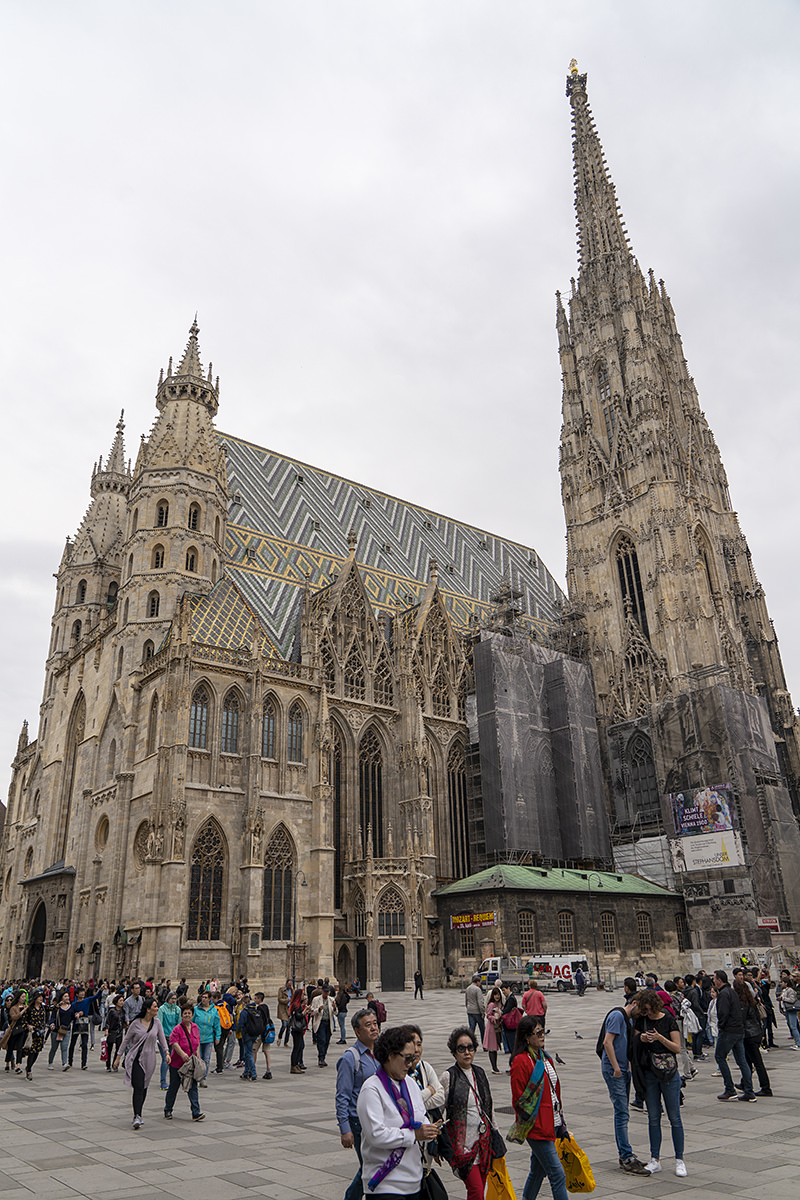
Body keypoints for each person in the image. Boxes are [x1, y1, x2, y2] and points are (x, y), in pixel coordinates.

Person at [356, 1024, 439, 1197]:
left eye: (413, 1058)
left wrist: (429, 1128)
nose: (411, 1064)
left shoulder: (410, 1084)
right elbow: (376, 1135)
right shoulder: (371, 1089)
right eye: (407, 1058)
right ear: (390, 1056)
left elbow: (419, 1115)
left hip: (413, 1181)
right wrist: (414, 1135)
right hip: (386, 1184)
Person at [509, 1016, 568, 1200]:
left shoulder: (544, 1057)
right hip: (538, 1127)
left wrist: (561, 1120)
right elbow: (518, 1098)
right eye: (538, 1033)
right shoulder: (521, 1061)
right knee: (557, 1174)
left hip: (553, 1122)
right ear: (527, 1037)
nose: (543, 1036)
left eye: (544, 1032)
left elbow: (553, 1091)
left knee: (537, 1172)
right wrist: (533, 1119)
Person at [631, 989, 687, 1177]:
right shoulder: (642, 1020)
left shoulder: (668, 1020)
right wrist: (641, 1038)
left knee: (674, 1118)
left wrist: (659, 1038)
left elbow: (677, 1048)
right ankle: (655, 1159)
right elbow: (634, 1043)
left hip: (669, 1074)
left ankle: (679, 1159)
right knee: (653, 1117)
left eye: (648, 1009)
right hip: (649, 1073)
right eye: (644, 1009)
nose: (646, 1012)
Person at [441, 1025, 494, 1200]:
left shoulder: (480, 1072)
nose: (467, 1052)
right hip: (463, 1146)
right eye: (461, 1048)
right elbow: (437, 1111)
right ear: (454, 1052)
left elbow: (488, 1107)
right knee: (476, 1190)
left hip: (484, 1143)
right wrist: (440, 1144)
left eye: (470, 1047)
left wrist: (495, 1133)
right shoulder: (449, 1077)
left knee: (480, 1190)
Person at [599, 997, 650, 1175]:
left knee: (623, 1112)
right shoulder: (617, 1016)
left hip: (622, 1069)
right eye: (642, 1011)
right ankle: (626, 1156)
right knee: (621, 1113)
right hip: (615, 1071)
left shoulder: (627, 1019)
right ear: (635, 1003)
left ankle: (626, 1154)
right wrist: (616, 1068)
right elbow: (607, 1042)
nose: (641, 1015)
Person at [336, 1007, 380, 1200]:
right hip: (358, 1123)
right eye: (368, 1025)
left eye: (375, 1024)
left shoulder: (381, 1053)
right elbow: (342, 1096)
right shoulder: (349, 1058)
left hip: (378, 1121)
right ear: (357, 1030)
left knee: (370, 1166)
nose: (373, 1028)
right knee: (369, 1166)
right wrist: (345, 1129)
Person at [115, 996, 169, 1129]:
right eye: (155, 1007)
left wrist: (167, 1053)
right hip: (136, 1058)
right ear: (148, 1009)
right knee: (138, 1087)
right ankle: (137, 1115)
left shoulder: (157, 1023)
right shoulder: (136, 1023)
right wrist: (118, 1057)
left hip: (150, 1059)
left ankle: (139, 1112)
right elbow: (126, 1040)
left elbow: (162, 1039)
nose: (157, 1009)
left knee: (144, 1087)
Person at [713, 970, 756, 1101]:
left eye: (714, 979)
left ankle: (730, 1089)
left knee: (720, 1056)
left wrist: (721, 1026)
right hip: (739, 1030)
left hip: (729, 1031)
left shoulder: (724, 994)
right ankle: (749, 1091)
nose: (713, 981)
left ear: (719, 980)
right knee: (742, 1061)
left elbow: (723, 1013)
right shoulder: (732, 992)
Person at [163, 1000, 205, 1122]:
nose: (187, 1015)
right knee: (174, 1087)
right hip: (177, 1063)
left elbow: (197, 1043)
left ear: (192, 1015)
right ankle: (168, 1109)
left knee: (193, 1087)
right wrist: (182, 1054)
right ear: (181, 1016)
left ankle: (196, 1112)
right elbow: (174, 1043)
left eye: (189, 1013)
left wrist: (197, 1053)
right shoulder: (177, 1029)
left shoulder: (195, 1027)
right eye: (185, 1013)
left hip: (190, 1064)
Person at [734, 977, 771, 1096]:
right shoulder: (751, 1000)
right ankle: (745, 1082)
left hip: (749, 1035)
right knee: (749, 1061)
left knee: (756, 1062)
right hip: (755, 1033)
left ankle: (766, 1088)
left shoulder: (742, 1003)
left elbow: (742, 1020)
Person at [193, 990, 222, 1086]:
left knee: (207, 1059)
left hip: (209, 1038)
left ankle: (203, 1078)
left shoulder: (214, 1010)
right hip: (197, 1039)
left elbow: (217, 1025)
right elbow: (191, 1023)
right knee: (198, 1059)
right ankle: (197, 1077)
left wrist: (218, 1037)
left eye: (205, 997)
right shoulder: (196, 1009)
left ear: (210, 999)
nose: (203, 999)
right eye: (203, 997)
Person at [21, 990, 49, 1080]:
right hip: (32, 1033)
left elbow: (52, 1008)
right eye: (39, 997)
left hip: (40, 1033)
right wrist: (28, 1026)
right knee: (31, 1052)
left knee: (37, 1052)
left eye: (42, 997)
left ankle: (29, 1066)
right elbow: (23, 1021)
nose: (41, 998)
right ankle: (29, 1070)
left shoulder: (43, 1008)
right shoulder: (29, 1008)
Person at [157, 991, 181, 1089]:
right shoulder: (162, 1009)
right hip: (164, 1038)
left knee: (173, 1061)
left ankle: (173, 1080)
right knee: (165, 1059)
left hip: (173, 1039)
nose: (174, 1001)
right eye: (172, 998)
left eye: (175, 999)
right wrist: (161, 1037)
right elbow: (160, 1024)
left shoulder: (177, 1009)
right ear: (168, 998)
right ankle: (163, 1081)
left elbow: (179, 1024)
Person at [311, 984, 337, 1067]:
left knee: (327, 1041)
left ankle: (323, 1056)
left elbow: (335, 1013)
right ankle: (321, 1058)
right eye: (325, 992)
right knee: (322, 1040)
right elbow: (312, 1011)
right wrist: (318, 1009)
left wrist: (335, 1008)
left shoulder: (331, 1000)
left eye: (328, 992)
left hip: (328, 1022)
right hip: (320, 1022)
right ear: (322, 991)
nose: (327, 993)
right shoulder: (316, 999)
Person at [47, 991, 74, 1070]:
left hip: (66, 1030)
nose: (67, 998)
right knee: (54, 1047)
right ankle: (50, 1062)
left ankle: (64, 1063)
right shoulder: (57, 1007)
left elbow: (72, 1016)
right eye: (65, 996)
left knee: (64, 1047)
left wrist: (77, 1014)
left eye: (67, 996)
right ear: (61, 997)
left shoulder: (71, 1007)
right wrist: (52, 1024)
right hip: (56, 1030)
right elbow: (53, 1017)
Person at [482, 986, 503, 1074]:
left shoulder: (500, 1004)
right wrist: (493, 1018)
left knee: (495, 1047)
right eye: (495, 995)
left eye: (498, 995)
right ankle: (494, 1067)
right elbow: (488, 1015)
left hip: (497, 1027)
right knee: (492, 1047)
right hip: (491, 1027)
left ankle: (495, 1066)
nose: (497, 996)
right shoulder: (491, 1005)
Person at [288, 986, 307, 1074]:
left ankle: (296, 1065)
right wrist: (305, 1011)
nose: (304, 996)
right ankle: (293, 1065)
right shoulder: (296, 1004)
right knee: (296, 1047)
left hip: (298, 1028)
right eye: (303, 994)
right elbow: (298, 1016)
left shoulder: (296, 1004)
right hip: (296, 1029)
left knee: (299, 1047)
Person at [104, 994, 125, 1072]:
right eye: (120, 1001)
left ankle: (115, 1064)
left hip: (119, 1032)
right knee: (109, 1048)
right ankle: (108, 1064)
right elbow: (108, 1021)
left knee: (118, 1049)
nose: (122, 1002)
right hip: (112, 1031)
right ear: (116, 1002)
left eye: (123, 1001)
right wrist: (106, 1030)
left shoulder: (123, 1011)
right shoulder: (112, 1011)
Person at [499, 981, 519, 1058]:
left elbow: (507, 1010)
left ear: (508, 988)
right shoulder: (510, 998)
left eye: (504, 990)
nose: (503, 992)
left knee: (512, 1046)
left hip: (511, 1025)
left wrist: (500, 1012)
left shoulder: (511, 998)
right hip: (510, 1025)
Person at [464, 975, 486, 1041]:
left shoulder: (468, 988)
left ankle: (470, 1043)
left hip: (470, 1011)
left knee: (471, 1029)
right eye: (480, 982)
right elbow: (480, 1002)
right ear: (477, 982)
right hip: (477, 1012)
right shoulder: (477, 989)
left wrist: (468, 1008)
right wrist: (482, 1012)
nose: (480, 984)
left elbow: (466, 1000)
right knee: (482, 1029)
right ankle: (484, 1045)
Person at [277, 980, 291, 1047]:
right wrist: (287, 1000)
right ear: (286, 984)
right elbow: (279, 999)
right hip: (283, 1009)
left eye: (290, 985)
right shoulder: (281, 989)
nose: (290, 986)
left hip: (289, 1009)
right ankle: (280, 1037)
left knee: (289, 1027)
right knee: (284, 1025)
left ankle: (286, 1042)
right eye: (289, 985)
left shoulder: (292, 990)